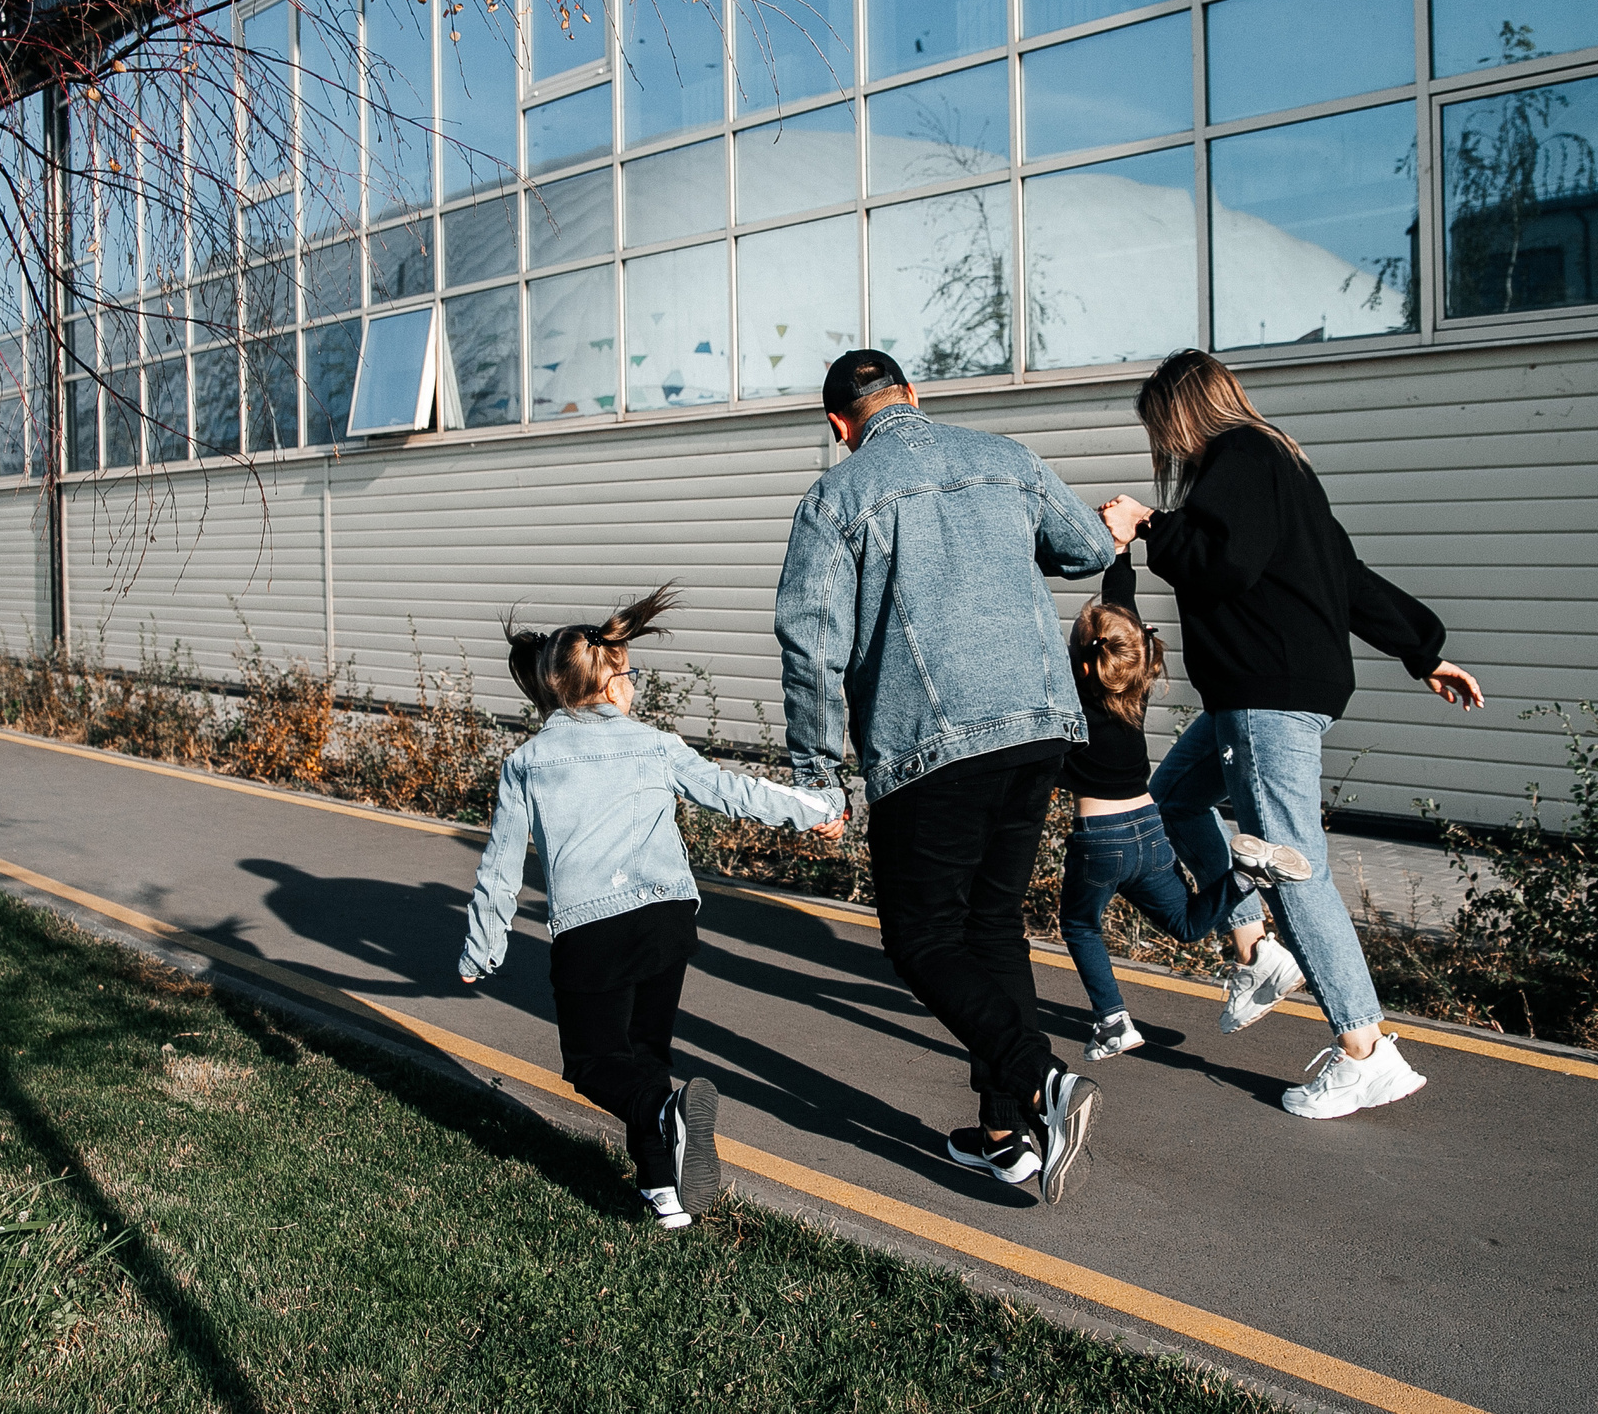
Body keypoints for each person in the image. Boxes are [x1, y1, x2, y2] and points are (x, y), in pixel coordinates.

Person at [1101, 350, 1486, 1121]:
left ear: (1183, 412)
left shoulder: (1238, 459)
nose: (1165, 447)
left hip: (1265, 696)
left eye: (1162, 428)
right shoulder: (1284, 464)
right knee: (1173, 797)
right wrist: (1424, 649)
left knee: (1294, 865)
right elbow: (1346, 576)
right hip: (1258, 693)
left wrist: (1149, 525)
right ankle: (1254, 951)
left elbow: (1224, 562)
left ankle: (1364, 1050)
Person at [774, 350, 1115, 1204]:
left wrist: (818, 772)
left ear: (838, 425)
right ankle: (1004, 1138)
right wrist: (1115, 524)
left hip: (930, 744)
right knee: (991, 926)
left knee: (921, 938)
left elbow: (812, 642)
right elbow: (1085, 549)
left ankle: (1045, 1083)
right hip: (1038, 728)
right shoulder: (1007, 459)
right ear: (914, 397)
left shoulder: (838, 496)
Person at [459, 585, 846, 1228]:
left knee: (591, 1064)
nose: (633, 687)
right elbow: (735, 792)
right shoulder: (654, 744)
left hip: (592, 926)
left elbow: (500, 865)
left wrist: (483, 945)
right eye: (630, 676)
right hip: (667, 919)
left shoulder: (526, 762)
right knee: (645, 1055)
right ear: (612, 689)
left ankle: (667, 1120)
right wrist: (819, 811)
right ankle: (663, 1190)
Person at [1056, 537, 1314, 1062]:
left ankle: (1113, 1021)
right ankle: (1244, 876)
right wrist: (1120, 553)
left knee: (1080, 924)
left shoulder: (1069, 699)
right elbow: (1122, 610)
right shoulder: (1134, 686)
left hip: (1101, 842)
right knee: (1189, 924)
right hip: (1149, 832)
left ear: (1083, 665)